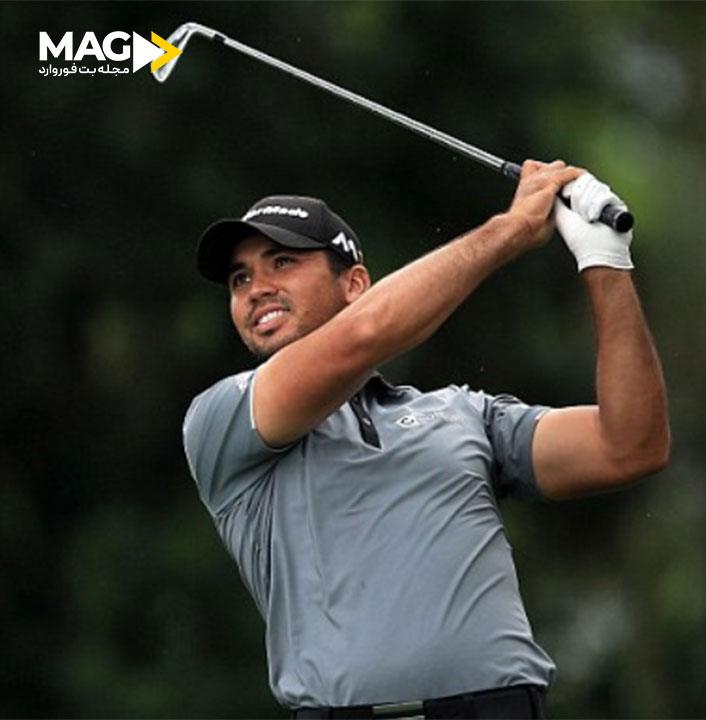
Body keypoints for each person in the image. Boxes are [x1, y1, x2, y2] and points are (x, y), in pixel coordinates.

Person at [182, 161, 670, 719]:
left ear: (355, 284)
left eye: (283, 262)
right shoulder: (223, 419)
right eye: (239, 279)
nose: (256, 289)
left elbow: (630, 446)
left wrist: (605, 261)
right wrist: (511, 229)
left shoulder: (462, 413)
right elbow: (364, 335)